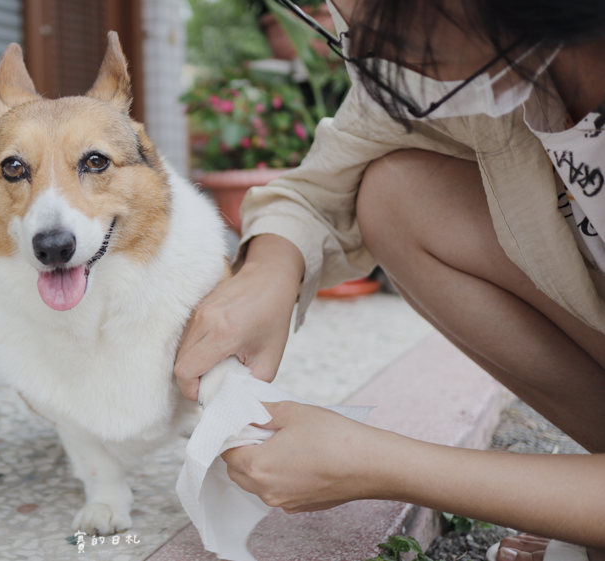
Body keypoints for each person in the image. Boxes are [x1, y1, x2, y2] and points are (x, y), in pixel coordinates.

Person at [173, 0, 605, 559]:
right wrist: (269, 271)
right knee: (397, 195)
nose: (360, 43)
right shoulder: (477, 52)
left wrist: (382, 463)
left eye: (373, 16)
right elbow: (321, 183)